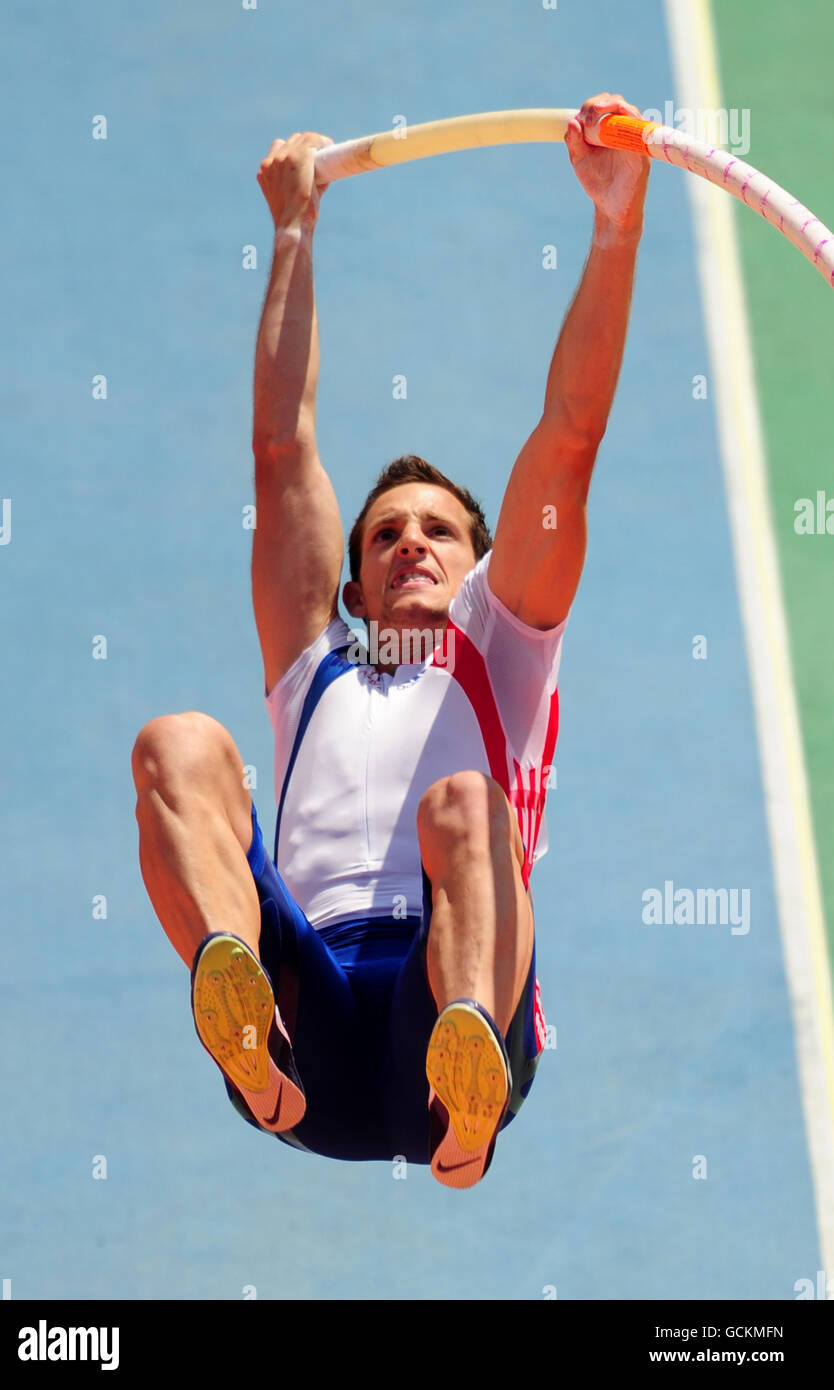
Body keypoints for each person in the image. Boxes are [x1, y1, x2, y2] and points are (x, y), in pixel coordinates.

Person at [131, 93, 649, 1188]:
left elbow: (568, 438)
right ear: (355, 583)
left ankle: (466, 1108)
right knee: (176, 742)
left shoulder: (499, 657)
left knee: (464, 805)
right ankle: (240, 1028)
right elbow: (282, 449)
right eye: (386, 533)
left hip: (440, 1008)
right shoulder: (313, 675)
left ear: (479, 565)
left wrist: (613, 225)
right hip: (303, 1032)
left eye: (439, 529)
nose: (411, 541)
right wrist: (291, 229)